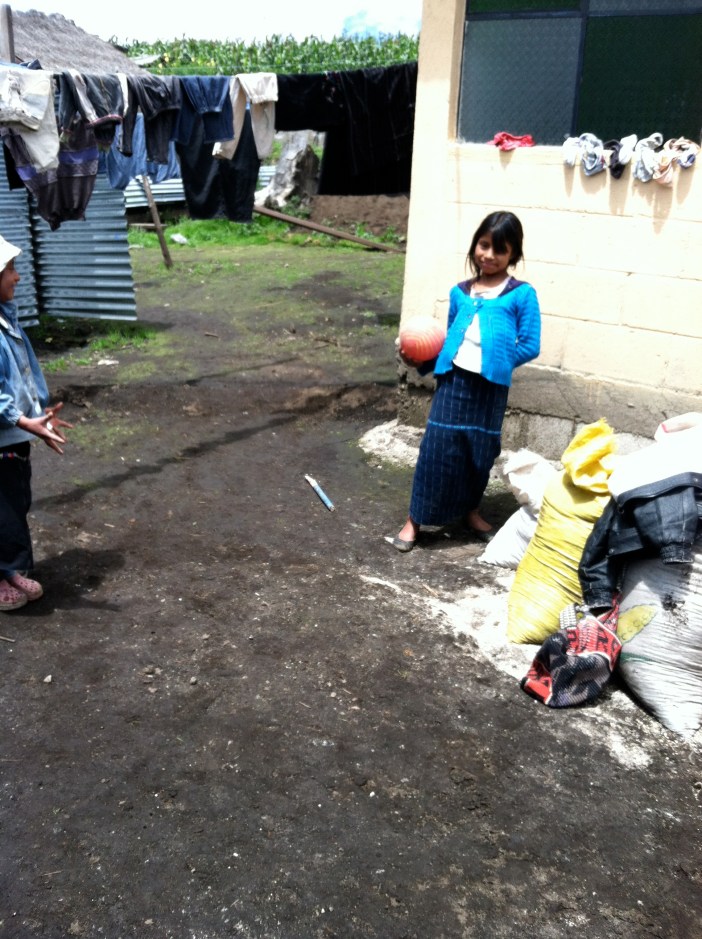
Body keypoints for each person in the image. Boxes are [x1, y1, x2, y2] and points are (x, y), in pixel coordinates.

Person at [386, 210, 541, 552]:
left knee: (479, 453)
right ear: (474, 246)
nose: (489, 255)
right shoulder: (459, 293)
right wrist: (421, 361)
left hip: (490, 390)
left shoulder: (521, 295)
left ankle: (470, 511)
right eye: (484, 245)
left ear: (513, 254)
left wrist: (499, 362)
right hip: (453, 383)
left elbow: (530, 344)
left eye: (499, 249)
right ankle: (415, 519)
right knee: (436, 449)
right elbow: (449, 341)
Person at [0, 235, 72, 609]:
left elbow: (21, 377)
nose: (17, 277)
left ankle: (9, 569)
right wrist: (23, 420)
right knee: (3, 510)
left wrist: (38, 414)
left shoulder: (6, 321)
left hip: (12, 437)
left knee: (15, 503)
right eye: (10, 269)